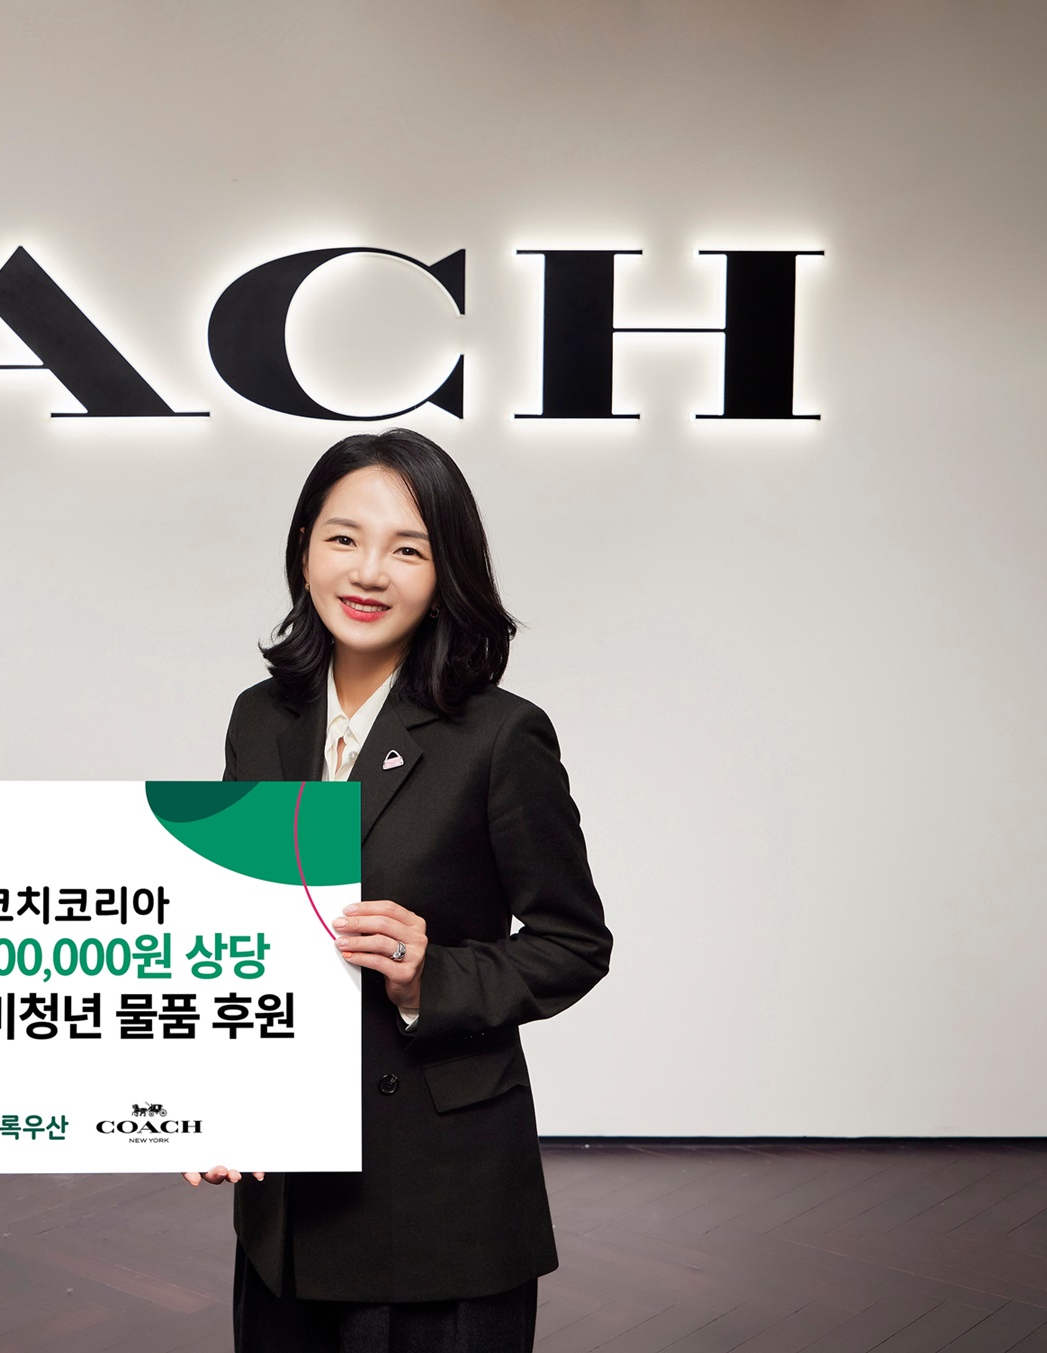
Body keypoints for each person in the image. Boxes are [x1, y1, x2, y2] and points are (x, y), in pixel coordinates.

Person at [188, 428, 612, 1352]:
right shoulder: (260, 718)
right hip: (286, 1202)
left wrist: (430, 977)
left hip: (437, 1196)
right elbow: (234, 936)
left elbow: (573, 943)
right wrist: (217, 1099)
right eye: (343, 537)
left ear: (445, 570)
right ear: (304, 547)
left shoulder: (500, 736)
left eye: (407, 549)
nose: (368, 571)